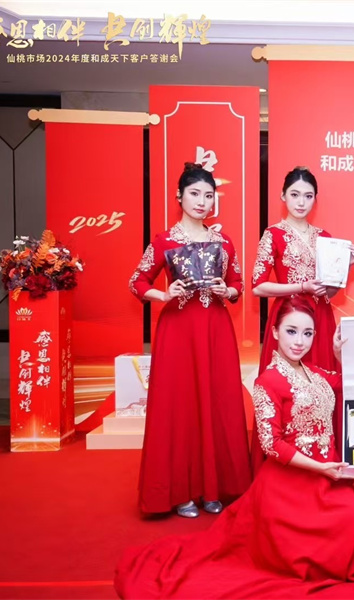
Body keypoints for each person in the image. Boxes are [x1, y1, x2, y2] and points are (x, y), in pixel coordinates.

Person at [115, 297, 354, 599]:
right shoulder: (268, 381)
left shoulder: (317, 374)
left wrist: (339, 355)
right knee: (338, 526)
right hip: (290, 484)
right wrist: (321, 468)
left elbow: (349, 384)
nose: (299, 341)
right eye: (291, 331)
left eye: (307, 333)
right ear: (275, 332)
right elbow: (271, 444)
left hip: (326, 477)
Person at [129, 162, 251, 518]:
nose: (201, 202)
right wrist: (163, 294)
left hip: (215, 329)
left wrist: (228, 290)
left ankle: (214, 487)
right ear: (179, 196)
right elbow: (137, 281)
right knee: (180, 407)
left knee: (217, 402)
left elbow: (239, 283)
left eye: (208, 196)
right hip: (179, 331)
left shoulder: (223, 242)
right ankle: (181, 491)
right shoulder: (164, 241)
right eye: (195, 194)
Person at [252, 167, 354, 375]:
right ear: (283, 196)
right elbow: (258, 287)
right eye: (295, 195)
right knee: (288, 382)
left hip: (320, 315)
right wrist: (302, 287)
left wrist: (345, 266)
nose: (301, 202)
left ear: (315, 200)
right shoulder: (273, 234)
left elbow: (328, 293)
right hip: (288, 315)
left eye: (308, 196)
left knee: (322, 377)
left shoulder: (324, 237)